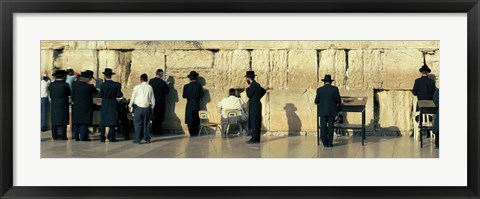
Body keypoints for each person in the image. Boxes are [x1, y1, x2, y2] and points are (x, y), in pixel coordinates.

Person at [314, 74, 341, 147]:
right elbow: (338, 100)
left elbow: (316, 101)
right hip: (332, 111)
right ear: (331, 82)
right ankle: (330, 143)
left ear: (324, 82)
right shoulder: (335, 89)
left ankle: (325, 142)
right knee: (331, 126)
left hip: (322, 111)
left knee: (323, 126)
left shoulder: (319, 90)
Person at [72, 70, 98, 141]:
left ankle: (76, 137)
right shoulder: (90, 87)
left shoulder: (75, 85)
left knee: (77, 122)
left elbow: (72, 96)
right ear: (88, 78)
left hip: (77, 106)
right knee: (84, 122)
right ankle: (83, 137)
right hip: (86, 107)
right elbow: (97, 92)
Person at [129, 74, 155, 144]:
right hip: (147, 107)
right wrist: (152, 107)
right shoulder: (150, 87)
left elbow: (133, 97)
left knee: (138, 124)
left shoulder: (137, 87)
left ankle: (138, 139)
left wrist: (130, 105)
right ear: (147, 79)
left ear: (140, 79)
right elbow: (152, 98)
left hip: (138, 107)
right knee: (146, 124)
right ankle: (147, 138)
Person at [412, 64, 436, 138]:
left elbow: (414, 92)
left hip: (420, 105)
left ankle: (418, 130)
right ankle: (430, 132)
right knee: (431, 115)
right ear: (427, 72)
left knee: (417, 113)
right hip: (430, 106)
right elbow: (434, 93)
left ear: (421, 72)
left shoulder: (417, 81)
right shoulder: (431, 82)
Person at [99, 68, 123, 142]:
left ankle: (102, 137)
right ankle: (111, 137)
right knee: (112, 119)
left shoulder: (102, 85)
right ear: (111, 76)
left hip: (105, 102)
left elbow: (100, 95)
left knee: (103, 119)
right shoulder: (116, 85)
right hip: (112, 102)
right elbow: (119, 95)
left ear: (105, 76)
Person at [245, 71, 266, 144]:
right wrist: (258, 97)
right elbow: (264, 90)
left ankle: (254, 139)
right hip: (256, 103)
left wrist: (247, 89)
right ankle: (256, 138)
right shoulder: (257, 84)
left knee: (254, 121)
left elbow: (249, 94)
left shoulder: (253, 85)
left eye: (246, 78)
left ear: (248, 78)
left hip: (254, 104)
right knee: (256, 120)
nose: (246, 80)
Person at [48, 70, 70, 140]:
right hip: (63, 104)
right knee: (63, 120)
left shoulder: (51, 85)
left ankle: (54, 136)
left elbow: (50, 95)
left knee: (54, 120)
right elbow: (69, 93)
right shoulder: (65, 85)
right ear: (64, 77)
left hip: (54, 104)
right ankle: (63, 135)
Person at [182, 71, 204, 137]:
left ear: (189, 78)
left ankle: (191, 133)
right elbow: (202, 95)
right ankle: (196, 132)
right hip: (196, 103)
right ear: (196, 78)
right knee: (196, 119)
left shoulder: (186, 86)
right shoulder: (199, 86)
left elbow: (184, 96)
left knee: (189, 118)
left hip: (189, 103)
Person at [149, 69, 170, 135]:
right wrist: (167, 85)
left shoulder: (151, 81)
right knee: (160, 117)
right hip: (160, 102)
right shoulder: (162, 82)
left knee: (154, 116)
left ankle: (154, 130)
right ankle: (158, 131)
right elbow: (166, 92)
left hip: (152, 101)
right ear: (161, 75)